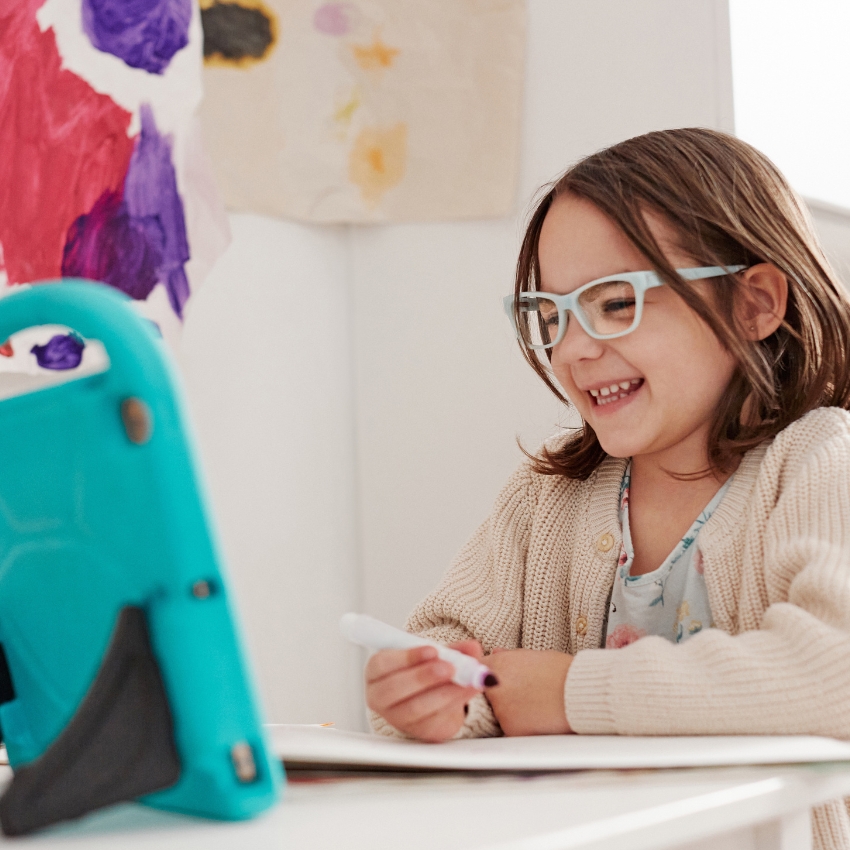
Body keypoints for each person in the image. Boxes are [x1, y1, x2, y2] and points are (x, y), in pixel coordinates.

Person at [364, 128, 850, 849]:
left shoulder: (819, 463)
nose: (574, 348)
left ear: (754, 304)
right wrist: (429, 697)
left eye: (617, 303)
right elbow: (449, 646)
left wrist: (570, 694)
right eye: (550, 316)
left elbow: (832, 675)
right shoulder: (546, 499)